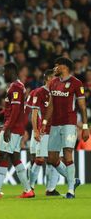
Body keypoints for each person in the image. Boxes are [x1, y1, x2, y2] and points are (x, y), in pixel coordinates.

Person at [0, 62, 35, 199]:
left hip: (13, 128)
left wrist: (7, 128)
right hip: (17, 128)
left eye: (4, 71)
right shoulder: (17, 86)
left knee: (3, 156)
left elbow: (16, 111)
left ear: (10, 71)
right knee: (15, 158)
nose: (3, 74)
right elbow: (12, 108)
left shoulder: (15, 87)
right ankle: (28, 190)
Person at [42, 57, 89, 199]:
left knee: (68, 153)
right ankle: (73, 181)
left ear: (64, 67)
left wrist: (85, 127)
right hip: (55, 124)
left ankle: (70, 191)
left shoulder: (76, 83)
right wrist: (44, 122)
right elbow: (50, 105)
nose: (55, 68)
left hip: (69, 123)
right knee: (51, 158)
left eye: (57, 66)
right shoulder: (53, 83)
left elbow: (82, 106)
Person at [30, 69, 60, 195]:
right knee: (39, 159)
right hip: (43, 131)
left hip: (55, 131)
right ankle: (29, 187)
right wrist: (36, 131)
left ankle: (51, 189)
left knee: (54, 159)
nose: (57, 79)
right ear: (48, 78)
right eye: (54, 77)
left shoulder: (58, 93)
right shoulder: (39, 92)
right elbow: (34, 114)